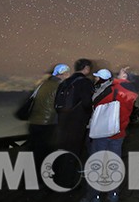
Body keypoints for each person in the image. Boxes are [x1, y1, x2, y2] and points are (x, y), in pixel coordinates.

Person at [81, 68, 138, 202]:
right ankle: (113, 194)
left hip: (103, 131)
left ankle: (94, 195)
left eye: (121, 72)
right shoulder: (133, 91)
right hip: (119, 132)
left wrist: (113, 81)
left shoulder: (114, 88)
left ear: (124, 76)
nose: (118, 73)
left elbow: (95, 101)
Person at [28, 63, 71, 185]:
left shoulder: (42, 85)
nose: (68, 76)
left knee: (38, 152)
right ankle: (50, 179)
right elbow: (62, 107)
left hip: (35, 123)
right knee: (51, 152)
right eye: (67, 73)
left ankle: (36, 178)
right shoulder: (59, 87)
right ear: (61, 74)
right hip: (49, 124)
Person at [54, 58, 94, 188]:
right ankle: (68, 181)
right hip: (77, 122)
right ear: (86, 68)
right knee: (74, 150)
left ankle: (57, 177)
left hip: (62, 120)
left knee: (62, 148)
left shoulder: (65, 82)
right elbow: (87, 103)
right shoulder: (85, 83)